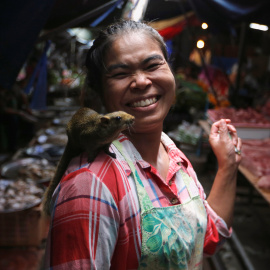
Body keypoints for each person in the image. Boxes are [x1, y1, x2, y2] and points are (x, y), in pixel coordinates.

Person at [44, 20, 242, 269]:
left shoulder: (173, 154)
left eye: (152, 65)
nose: (140, 81)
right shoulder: (90, 185)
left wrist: (229, 164)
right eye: (120, 73)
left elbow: (207, 239)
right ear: (100, 92)